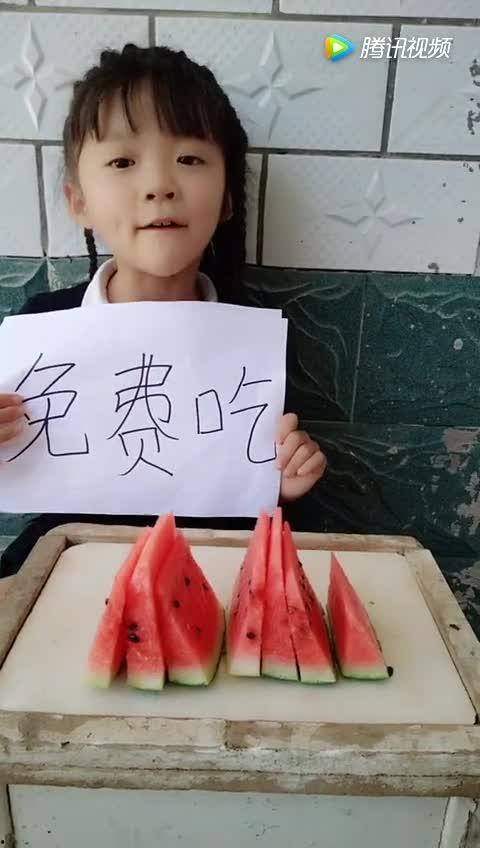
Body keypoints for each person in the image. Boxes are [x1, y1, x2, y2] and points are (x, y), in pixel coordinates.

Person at [0, 44, 327, 577]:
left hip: (215, 570)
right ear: (78, 201)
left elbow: (250, 495)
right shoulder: (43, 323)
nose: (158, 186)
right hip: (72, 569)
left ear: (227, 199)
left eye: (189, 159)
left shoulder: (256, 340)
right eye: (123, 162)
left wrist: (283, 485)